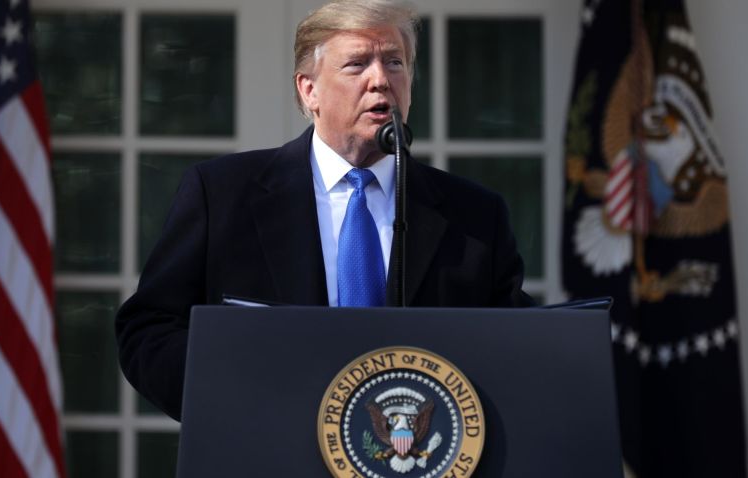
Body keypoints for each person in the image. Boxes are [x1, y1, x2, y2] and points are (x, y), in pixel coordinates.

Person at [116, 0, 533, 421]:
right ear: (308, 89)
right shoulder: (222, 194)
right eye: (357, 65)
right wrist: (232, 399)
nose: (381, 80)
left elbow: (516, 347)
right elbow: (149, 329)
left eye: (394, 62)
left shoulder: (475, 215)